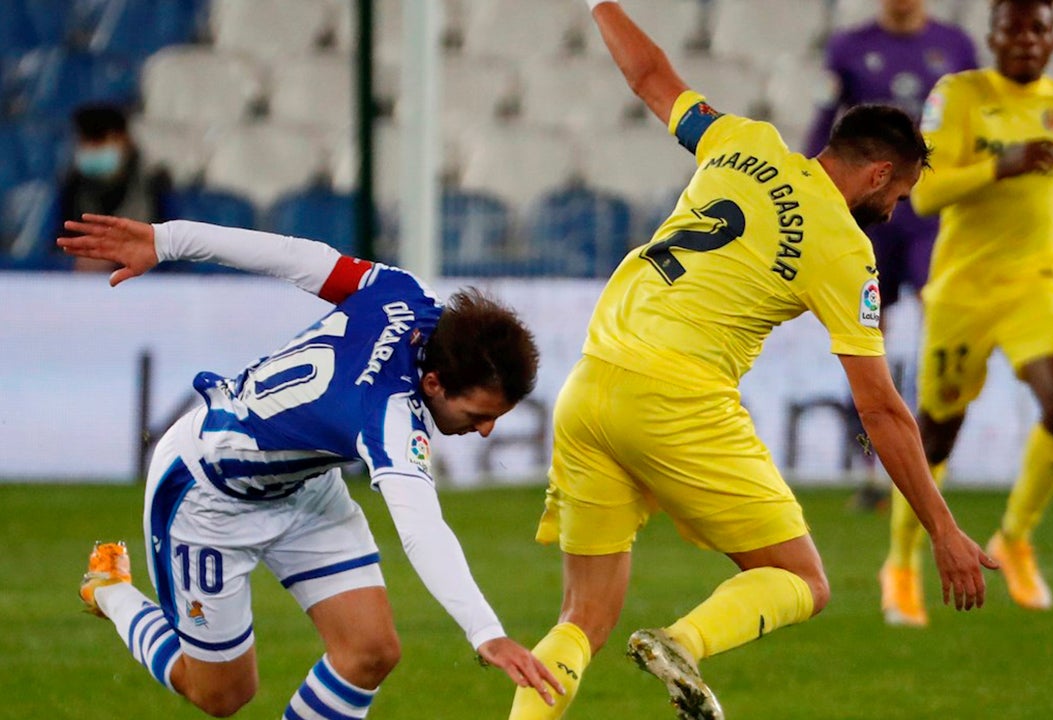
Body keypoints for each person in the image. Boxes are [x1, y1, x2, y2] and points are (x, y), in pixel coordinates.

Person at [507, 2, 996, 719]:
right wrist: (943, 529)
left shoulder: (740, 142)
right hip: (679, 399)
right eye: (899, 193)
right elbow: (881, 409)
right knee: (801, 579)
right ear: (879, 172)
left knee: (581, 618)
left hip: (592, 384)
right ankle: (682, 641)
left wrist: (599, 4)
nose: (895, 210)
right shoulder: (845, 250)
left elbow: (647, 76)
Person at [59, 215, 564, 718]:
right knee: (221, 695)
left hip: (302, 488)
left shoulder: (403, 293)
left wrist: (166, 239)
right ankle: (111, 591)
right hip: (206, 497)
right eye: (478, 416)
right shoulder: (388, 416)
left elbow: (289, 255)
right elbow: (422, 529)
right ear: (433, 383)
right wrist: (486, 632)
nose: (485, 431)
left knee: (370, 652)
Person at [879, 0, 1053, 628]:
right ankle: (901, 563)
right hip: (962, 287)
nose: (1026, 40)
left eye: (1038, 28)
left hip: (1037, 282)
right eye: (1014, 28)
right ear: (993, 36)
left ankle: (1016, 536)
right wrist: (1001, 164)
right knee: (936, 435)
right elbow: (924, 193)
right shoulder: (958, 96)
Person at [805, 0, 978, 509]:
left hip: (930, 216)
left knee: (941, 330)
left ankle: (930, 463)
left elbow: (979, 129)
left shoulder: (958, 48)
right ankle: (873, 472)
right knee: (865, 342)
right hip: (866, 219)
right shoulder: (848, 48)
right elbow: (823, 127)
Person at [59, 105, 170, 272]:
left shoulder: (154, 184)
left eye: (100, 140)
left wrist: (118, 259)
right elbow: (55, 244)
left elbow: (173, 248)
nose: (93, 149)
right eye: (86, 141)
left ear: (124, 140)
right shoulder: (72, 186)